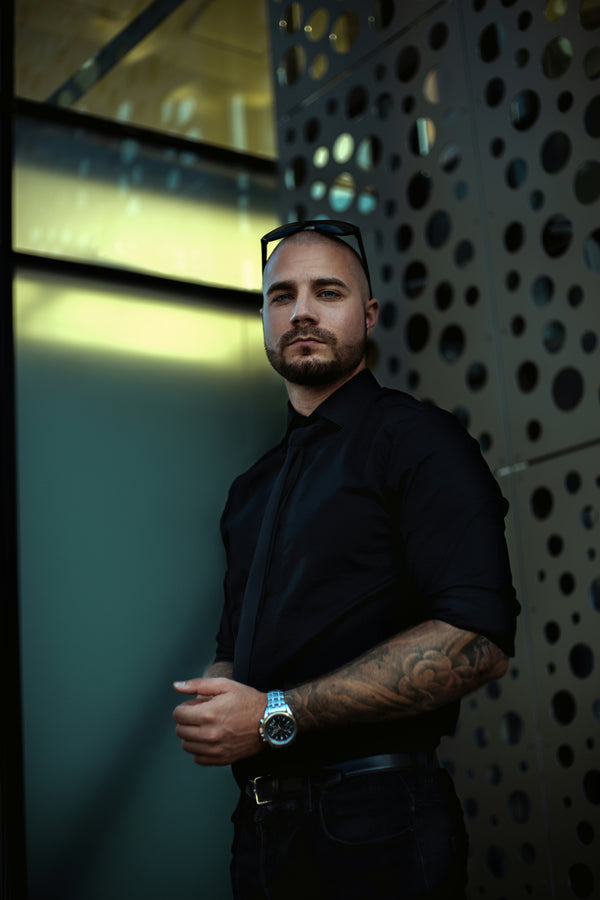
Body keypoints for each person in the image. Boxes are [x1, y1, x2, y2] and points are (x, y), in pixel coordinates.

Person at [173, 220, 519, 899]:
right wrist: (216, 697)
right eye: (282, 296)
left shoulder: (418, 439)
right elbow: (235, 650)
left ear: (369, 315)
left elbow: (477, 642)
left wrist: (270, 713)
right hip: (260, 829)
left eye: (327, 292)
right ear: (265, 320)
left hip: (380, 818)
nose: (301, 311)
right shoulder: (250, 489)